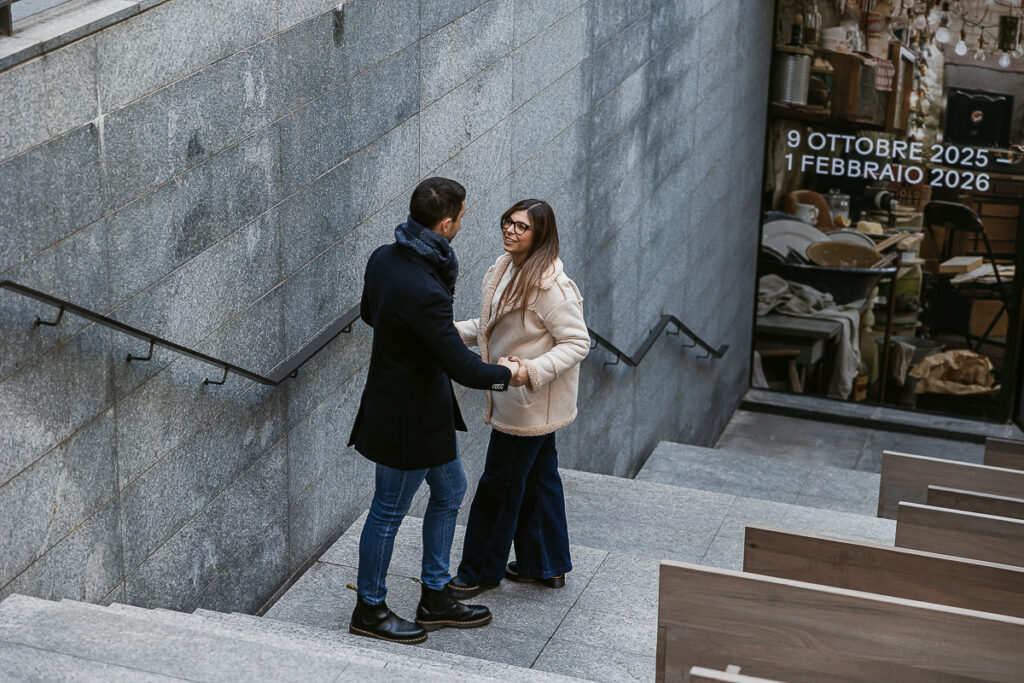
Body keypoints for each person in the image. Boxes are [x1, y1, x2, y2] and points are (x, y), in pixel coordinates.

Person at [347, 177, 526, 644]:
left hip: (420, 409)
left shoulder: (385, 258)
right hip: (407, 419)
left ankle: (434, 595)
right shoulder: (424, 289)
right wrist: (508, 373)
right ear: (446, 224)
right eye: (462, 216)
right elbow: (464, 368)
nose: (464, 222)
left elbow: (370, 313)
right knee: (387, 511)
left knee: (450, 490)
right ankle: (369, 608)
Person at [448, 199, 589, 599]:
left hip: (529, 400)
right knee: (540, 481)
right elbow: (494, 326)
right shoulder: (508, 268)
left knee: (499, 486)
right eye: (508, 222)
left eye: (521, 227)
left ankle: (478, 572)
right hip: (523, 399)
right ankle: (544, 565)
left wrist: (530, 371)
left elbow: (578, 342)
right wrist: (450, 331)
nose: (510, 230)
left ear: (540, 234)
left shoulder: (552, 287)